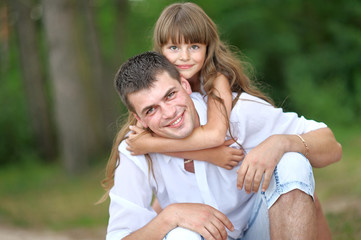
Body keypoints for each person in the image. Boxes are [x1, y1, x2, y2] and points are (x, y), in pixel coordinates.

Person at [125, 3, 334, 238]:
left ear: (207, 48)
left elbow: (215, 135)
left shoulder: (217, 84)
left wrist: (151, 144)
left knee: (295, 172)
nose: (184, 56)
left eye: (194, 46)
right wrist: (206, 156)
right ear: (160, 51)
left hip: (250, 214)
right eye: (174, 47)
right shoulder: (155, 111)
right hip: (205, 219)